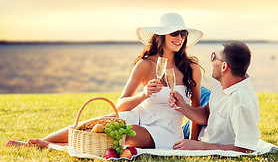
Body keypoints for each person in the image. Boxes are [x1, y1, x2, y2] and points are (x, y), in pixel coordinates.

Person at [6, 12, 204, 149]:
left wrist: (193, 143)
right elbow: (122, 104)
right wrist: (144, 94)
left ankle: (54, 145)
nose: (179, 38)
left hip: (165, 130)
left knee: (121, 133)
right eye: (175, 33)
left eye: (183, 34)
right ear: (161, 35)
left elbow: (197, 111)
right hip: (136, 116)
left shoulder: (191, 68)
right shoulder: (145, 65)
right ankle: (41, 142)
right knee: (92, 124)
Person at [169, 41, 260, 153]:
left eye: (214, 57)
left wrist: (200, 146)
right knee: (188, 84)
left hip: (204, 139)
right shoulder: (221, 83)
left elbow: (246, 148)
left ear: (224, 66)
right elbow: (208, 113)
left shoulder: (241, 102)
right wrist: (183, 107)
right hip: (204, 131)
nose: (211, 61)